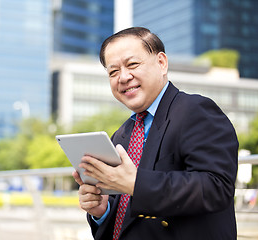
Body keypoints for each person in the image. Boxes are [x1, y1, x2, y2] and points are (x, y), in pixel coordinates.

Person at [72, 27, 238, 240]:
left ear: (161, 63)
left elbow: (216, 187)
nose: (123, 77)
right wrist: (102, 211)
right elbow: (127, 218)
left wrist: (135, 184)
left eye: (132, 64)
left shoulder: (195, 110)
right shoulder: (121, 134)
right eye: (113, 72)